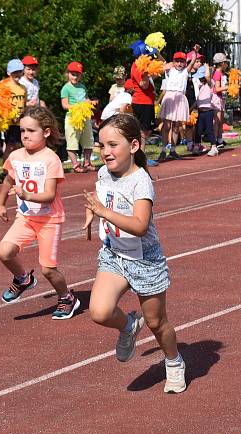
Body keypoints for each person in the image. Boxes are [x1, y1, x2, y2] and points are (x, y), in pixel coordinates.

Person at [82, 113, 186, 393]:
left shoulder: (141, 182)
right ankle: (128, 326)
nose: (105, 152)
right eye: (101, 146)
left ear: (134, 146)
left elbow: (140, 226)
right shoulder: (103, 173)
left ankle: (174, 362)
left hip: (145, 260)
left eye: (113, 145)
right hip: (114, 255)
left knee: (155, 322)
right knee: (100, 312)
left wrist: (103, 211)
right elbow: (99, 198)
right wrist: (92, 212)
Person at [0, 106, 80, 320]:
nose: (25, 135)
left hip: (49, 219)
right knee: (4, 252)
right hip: (25, 217)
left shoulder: (51, 159)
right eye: (22, 130)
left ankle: (67, 298)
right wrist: (1, 203)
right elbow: (9, 180)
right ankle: (22, 279)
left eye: (31, 131)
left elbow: (50, 195)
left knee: (48, 269)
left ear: (47, 132)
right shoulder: (15, 156)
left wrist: (27, 196)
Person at [158, 50, 196, 161]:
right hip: (170, 97)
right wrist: (158, 52)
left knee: (176, 126)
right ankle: (164, 150)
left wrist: (195, 53)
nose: (179, 64)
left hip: (180, 98)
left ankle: (173, 150)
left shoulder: (185, 71)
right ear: (173, 62)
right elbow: (162, 61)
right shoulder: (170, 69)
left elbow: (192, 63)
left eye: (182, 61)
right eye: (177, 61)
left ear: (185, 63)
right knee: (166, 126)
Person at [60, 61, 96, 173]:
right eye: (73, 74)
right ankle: (75, 165)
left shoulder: (82, 87)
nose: (75, 77)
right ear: (68, 74)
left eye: (78, 74)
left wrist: (90, 103)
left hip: (85, 117)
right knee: (72, 141)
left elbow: (86, 99)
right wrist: (77, 106)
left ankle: (87, 162)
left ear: (81, 75)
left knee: (89, 140)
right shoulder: (66, 88)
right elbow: (64, 105)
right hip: (73, 118)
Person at [129, 46, 160, 166]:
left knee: (145, 131)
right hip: (142, 102)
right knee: (143, 132)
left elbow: (161, 66)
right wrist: (147, 72)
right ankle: (140, 158)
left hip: (146, 102)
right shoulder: (137, 67)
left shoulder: (141, 66)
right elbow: (144, 85)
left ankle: (140, 156)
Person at [0, 59, 28, 161]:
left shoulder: (23, 88)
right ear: (9, 73)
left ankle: (16, 170)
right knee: (10, 146)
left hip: (20, 122)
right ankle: (5, 171)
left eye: (19, 71)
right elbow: (2, 105)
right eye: (14, 72)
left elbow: (24, 105)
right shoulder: (5, 86)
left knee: (19, 146)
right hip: (9, 123)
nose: (17, 74)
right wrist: (10, 117)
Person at [193, 64, 219, 157]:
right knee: (198, 130)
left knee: (209, 130)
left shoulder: (210, 83)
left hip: (208, 112)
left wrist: (207, 68)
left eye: (201, 77)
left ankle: (214, 147)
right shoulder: (201, 86)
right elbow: (198, 101)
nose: (199, 79)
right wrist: (190, 109)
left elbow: (208, 76)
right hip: (201, 112)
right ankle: (196, 146)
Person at [211, 52, 230, 148]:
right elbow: (217, 89)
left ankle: (219, 139)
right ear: (222, 63)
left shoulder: (220, 73)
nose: (227, 65)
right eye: (226, 63)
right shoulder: (217, 73)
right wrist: (229, 87)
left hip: (221, 99)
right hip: (216, 99)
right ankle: (214, 141)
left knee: (221, 120)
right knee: (217, 121)